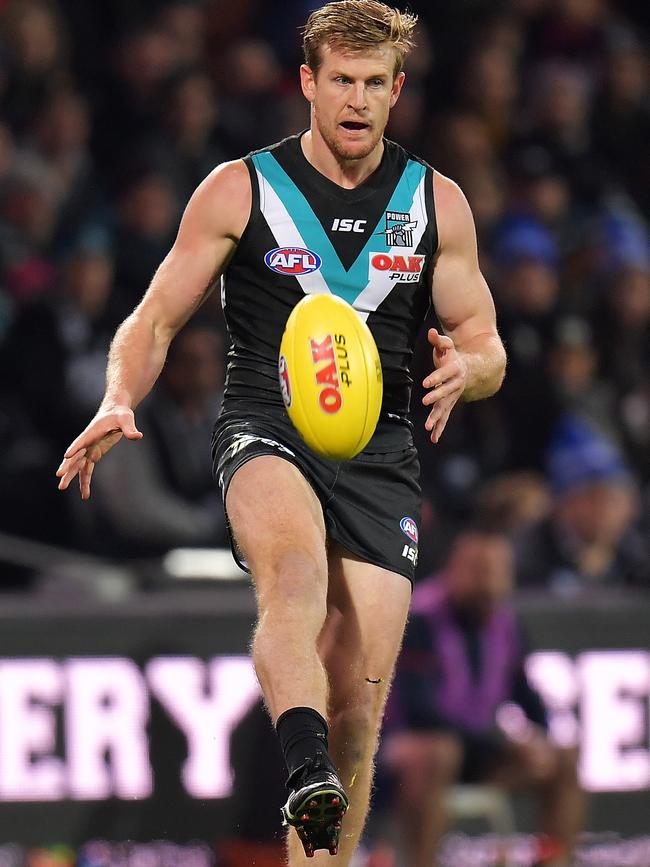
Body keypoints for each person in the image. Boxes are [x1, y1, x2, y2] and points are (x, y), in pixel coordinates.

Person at [56, 2, 506, 862]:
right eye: (341, 80)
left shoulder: (436, 203)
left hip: (382, 451)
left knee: (361, 712)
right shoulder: (240, 188)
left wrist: (473, 370)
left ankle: (322, 801)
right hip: (266, 426)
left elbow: (486, 341)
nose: (357, 100)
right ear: (307, 81)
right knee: (292, 576)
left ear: (397, 90)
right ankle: (302, 763)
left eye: (375, 85)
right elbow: (151, 322)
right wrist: (120, 396)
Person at [382, 530, 585, 867]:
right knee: (438, 752)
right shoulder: (418, 617)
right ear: (452, 568)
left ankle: (557, 861)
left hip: (475, 749)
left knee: (563, 756)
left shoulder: (505, 621)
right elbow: (419, 712)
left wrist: (542, 737)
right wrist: (496, 742)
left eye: (497, 571)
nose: (488, 582)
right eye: (478, 570)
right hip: (401, 751)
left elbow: (523, 690)